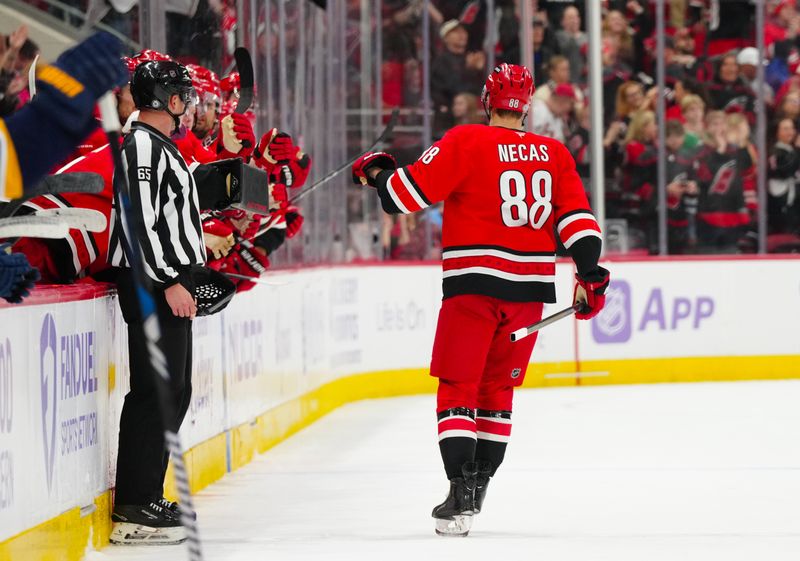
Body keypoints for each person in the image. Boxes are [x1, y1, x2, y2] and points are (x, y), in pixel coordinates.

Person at [350, 63, 609, 537]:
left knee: (457, 388)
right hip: (529, 295)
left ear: (487, 100)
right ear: (527, 106)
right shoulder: (554, 153)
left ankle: (459, 491)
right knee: (498, 394)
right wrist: (590, 276)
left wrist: (376, 172)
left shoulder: (466, 140)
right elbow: (578, 222)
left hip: (473, 288)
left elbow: (402, 197)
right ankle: (479, 486)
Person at [108, 59, 206, 545]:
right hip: (150, 284)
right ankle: (134, 502)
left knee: (173, 389)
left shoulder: (160, 146)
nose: (186, 100)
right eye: (181, 92)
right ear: (165, 97)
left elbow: (167, 214)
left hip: (164, 281)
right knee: (156, 391)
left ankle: (145, 493)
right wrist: (170, 279)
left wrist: (195, 271)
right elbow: (138, 219)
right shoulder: (141, 145)